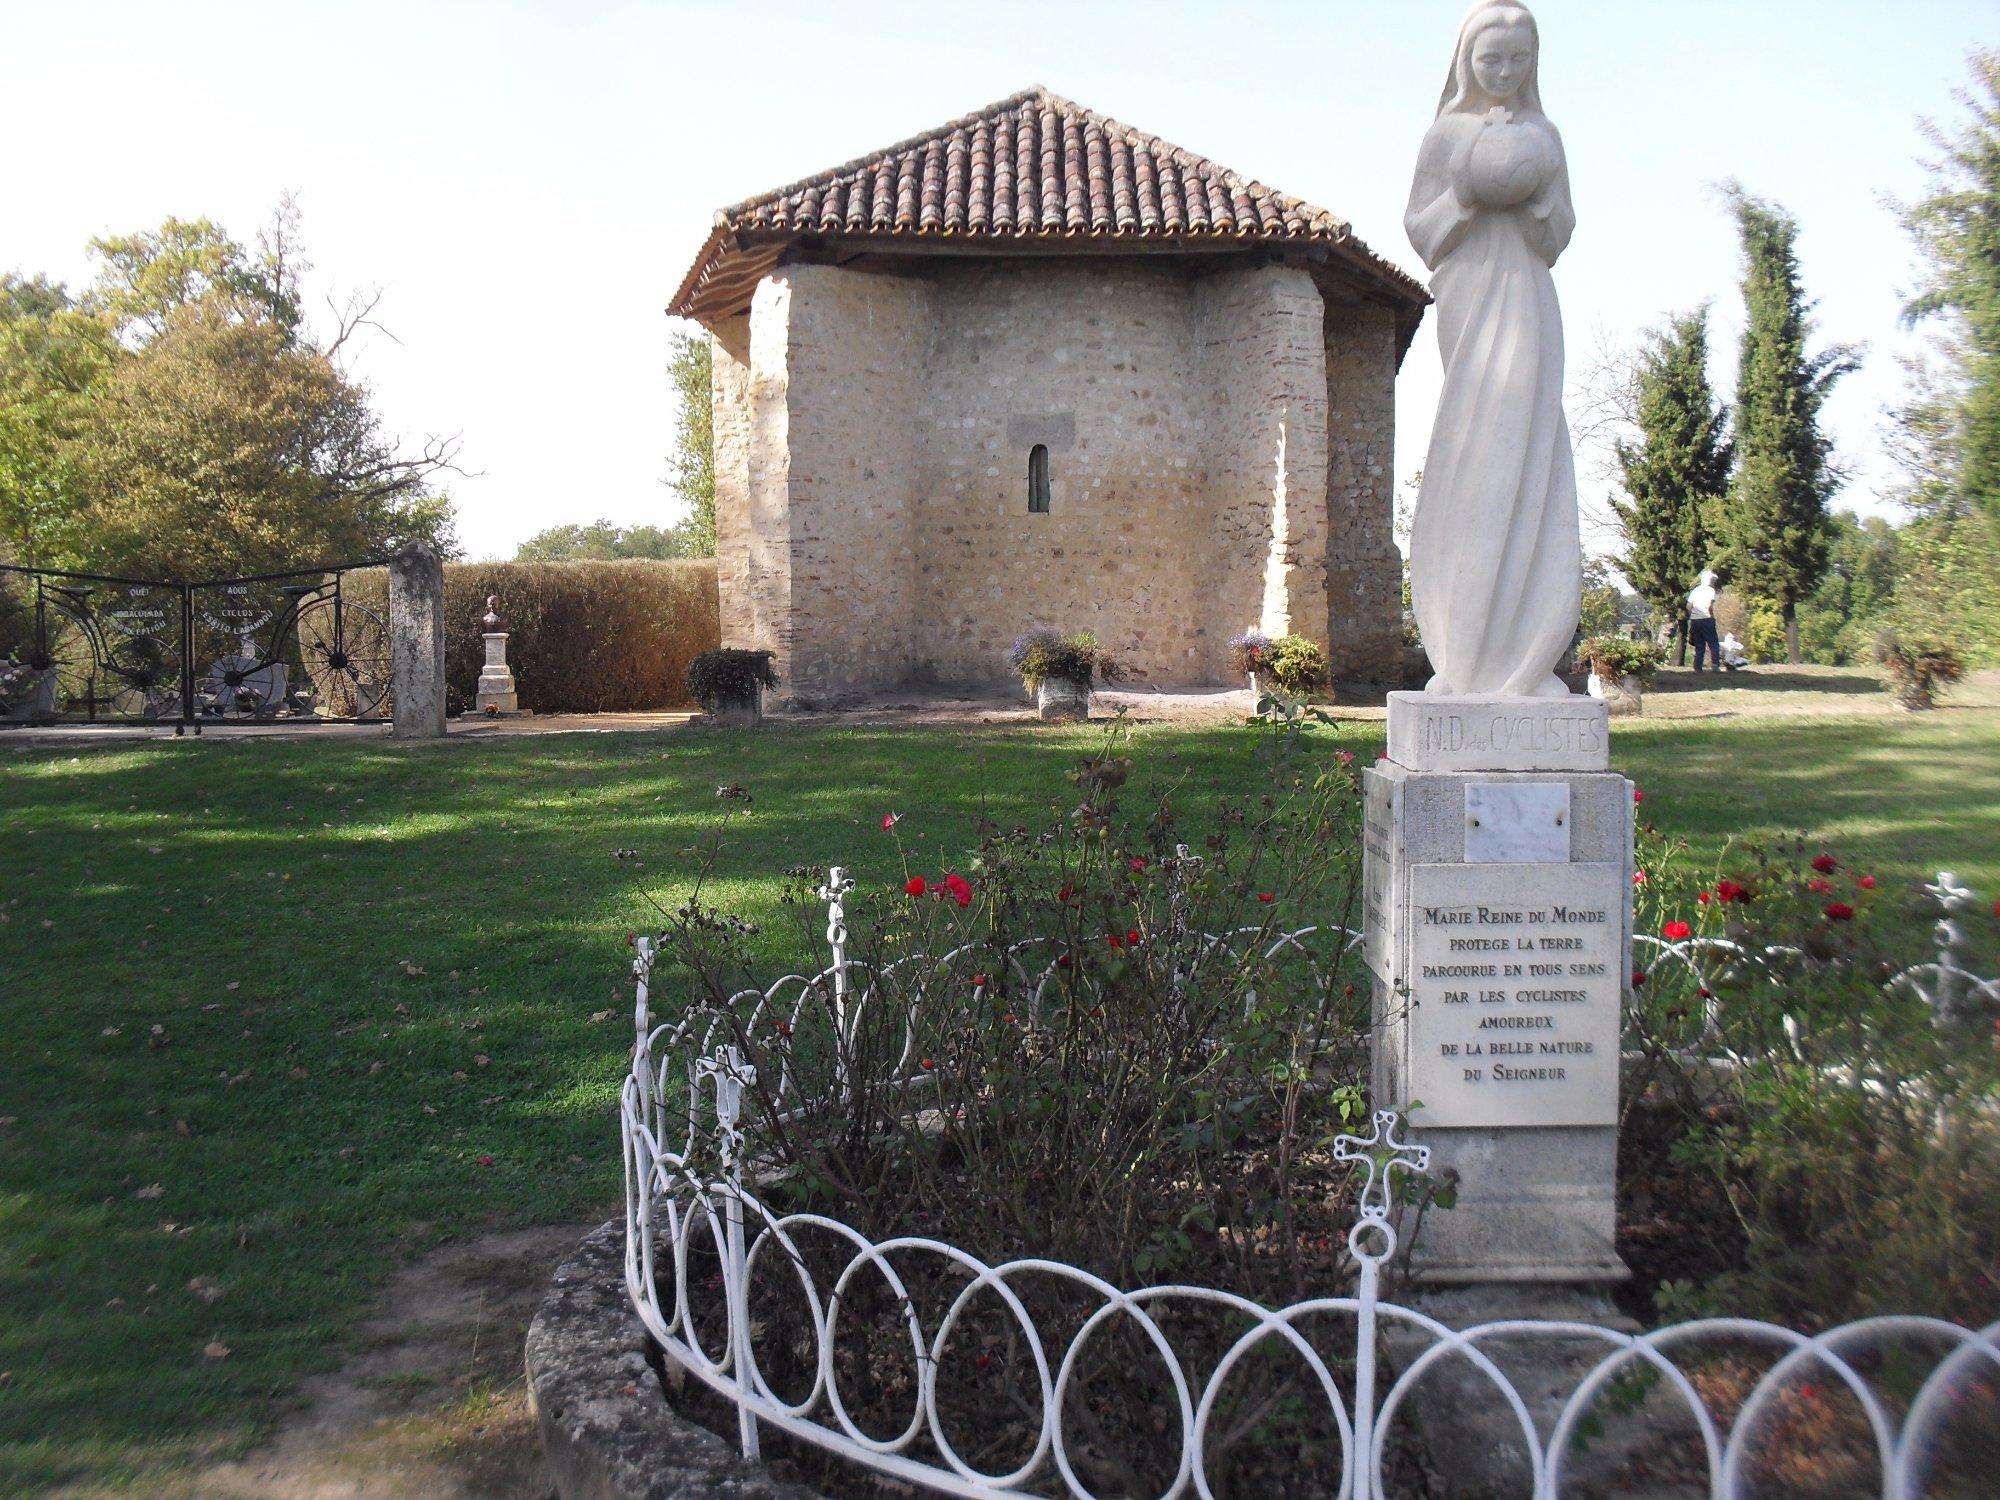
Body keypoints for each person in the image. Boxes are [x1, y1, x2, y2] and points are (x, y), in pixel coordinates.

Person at [1405, 1, 1578, 698]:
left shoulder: (1546, 134)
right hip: (1471, 298)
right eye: (1490, 60)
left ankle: (1526, 658)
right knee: (1477, 447)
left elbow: (1559, 233)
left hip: (1530, 301)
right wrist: (1469, 194)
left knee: (1531, 447)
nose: (1504, 72)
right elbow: (1421, 230)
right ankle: (1464, 653)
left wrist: (1535, 198)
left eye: (1517, 60)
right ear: (1465, 62)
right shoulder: (1444, 136)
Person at [1687, 568, 1721, 672]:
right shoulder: (1710, 590)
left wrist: (1692, 615)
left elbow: (1688, 606)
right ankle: (1715, 665)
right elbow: (1710, 606)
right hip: (1706, 618)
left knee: (1699, 645)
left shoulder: (1695, 590)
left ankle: (1697, 668)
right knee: (1713, 643)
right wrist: (1711, 616)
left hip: (1695, 620)